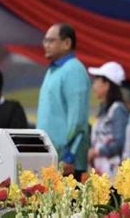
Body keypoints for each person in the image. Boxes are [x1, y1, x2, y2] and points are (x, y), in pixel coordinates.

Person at [37, 23, 90, 180]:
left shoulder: (74, 69)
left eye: (50, 40)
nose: (45, 45)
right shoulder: (53, 70)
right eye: (45, 40)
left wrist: (69, 156)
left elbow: (78, 118)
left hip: (67, 163)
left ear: (67, 43)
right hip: (52, 158)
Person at [87, 61, 128, 177]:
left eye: (96, 81)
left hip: (113, 174)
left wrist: (97, 151)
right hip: (101, 171)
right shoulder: (104, 110)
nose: (93, 86)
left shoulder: (118, 110)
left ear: (107, 84)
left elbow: (120, 142)